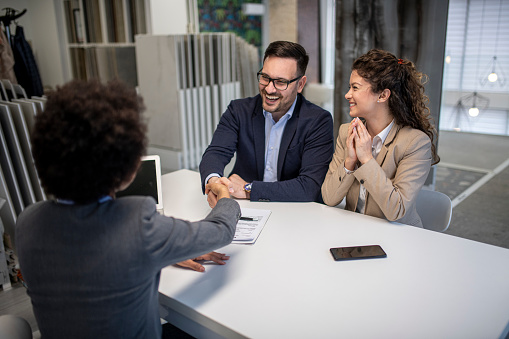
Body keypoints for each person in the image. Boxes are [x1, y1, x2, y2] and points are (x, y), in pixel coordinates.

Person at [15, 79, 241, 339]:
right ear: (129, 167)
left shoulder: (28, 221)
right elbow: (221, 230)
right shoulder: (137, 224)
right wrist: (225, 196)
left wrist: (163, 251)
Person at [199, 40, 334, 208]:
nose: (269, 89)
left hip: (294, 213)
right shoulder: (238, 111)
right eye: (265, 77)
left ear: (300, 84)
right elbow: (215, 153)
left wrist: (249, 189)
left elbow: (310, 186)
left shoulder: (318, 121)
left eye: (280, 82)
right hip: (244, 208)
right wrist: (214, 183)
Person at [321, 49, 440, 227]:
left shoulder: (415, 143)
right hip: (354, 232)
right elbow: (329, 198)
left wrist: (366, 159)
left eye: (355, 87)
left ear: (383, 95)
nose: (347, 95)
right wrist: (350, 162)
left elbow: (396, 210)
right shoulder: (347, 132)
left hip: (399, 238)